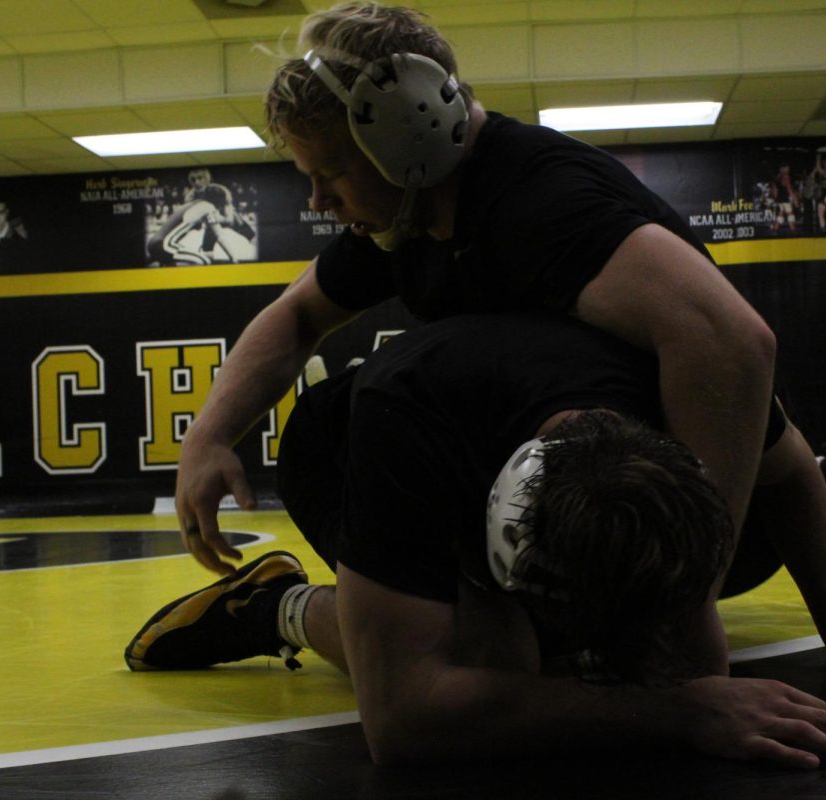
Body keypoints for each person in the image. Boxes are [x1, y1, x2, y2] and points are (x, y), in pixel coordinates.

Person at [130, 313, 826, 769]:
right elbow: (404, 725)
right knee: (497, 665)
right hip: (357, 449)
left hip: (546, 457)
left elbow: (787, 469)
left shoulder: (692, 373)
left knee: (676, 594)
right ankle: (282, 606)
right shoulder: (400, 433)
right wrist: (676, 711)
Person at [174, 2, 777, 595]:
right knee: (331, 428)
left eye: (330, 173)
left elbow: (732, 341)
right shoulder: (412, 208)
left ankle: (294, 612)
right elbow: (297, 313)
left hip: (646, 519)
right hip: (601, 508)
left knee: (403, 392)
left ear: (404, 136)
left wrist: (690, 584)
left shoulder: (543, 203)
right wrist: (208, 435)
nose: (316, 201)